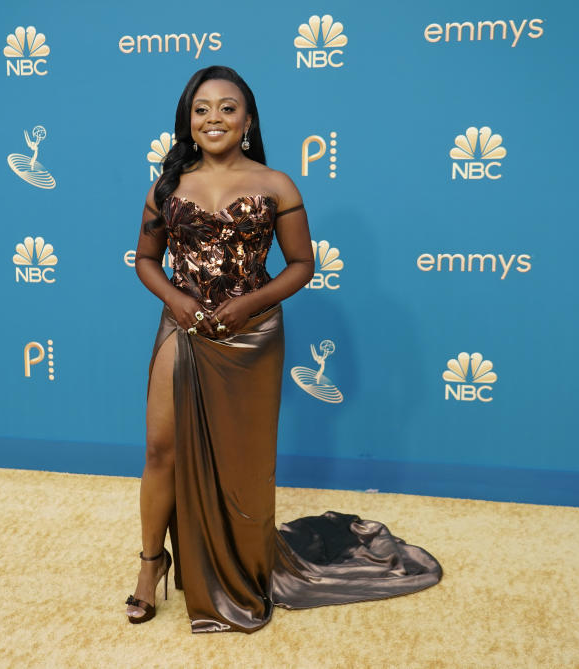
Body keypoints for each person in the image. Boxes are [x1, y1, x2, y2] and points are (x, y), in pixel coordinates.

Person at [127, 66, 441, 634]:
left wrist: (249, 304)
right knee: (159, 451)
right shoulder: (166, 186)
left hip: (252, 337)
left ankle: (241, 566)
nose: (214, 118)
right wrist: (175, 300)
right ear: (187, 120)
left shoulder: (277, 185)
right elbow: (145, 260)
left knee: (243, 467)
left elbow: (302, 266)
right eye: (202, 109)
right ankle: (152, 565)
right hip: (185, 328)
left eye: (227, 108)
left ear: (247, 120)